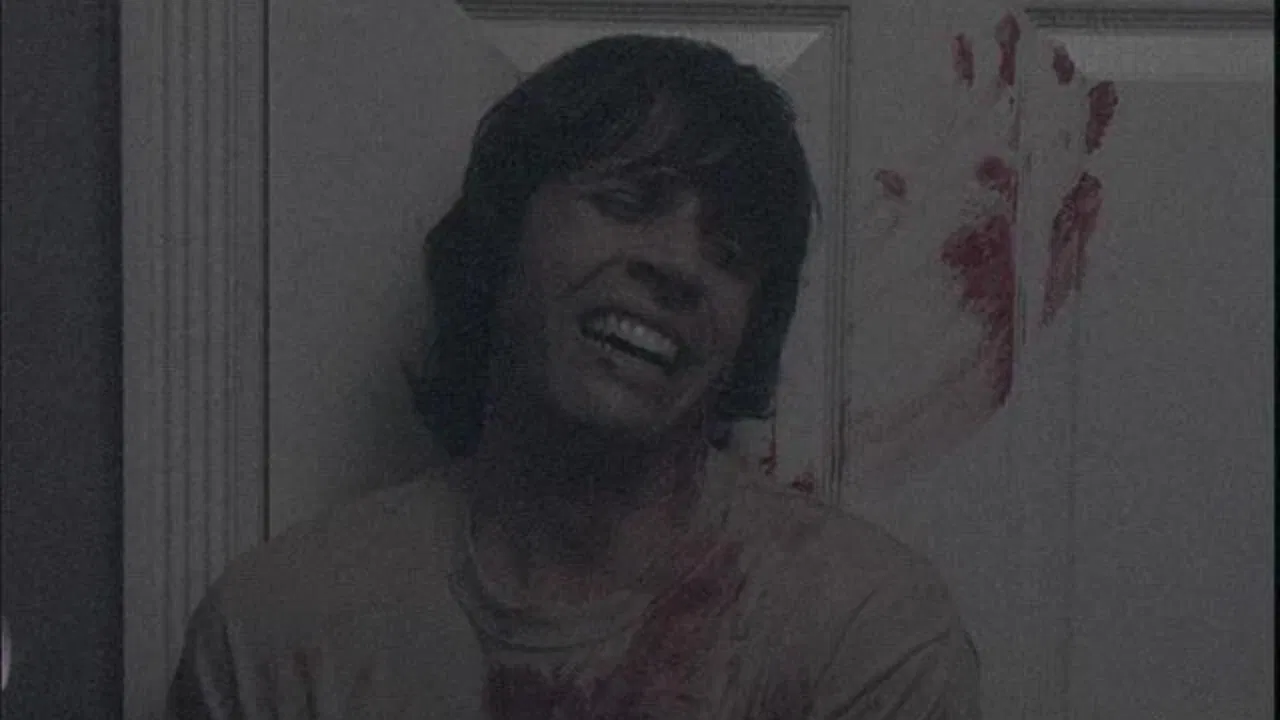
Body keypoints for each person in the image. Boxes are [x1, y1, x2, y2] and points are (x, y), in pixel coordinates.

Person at [167, 34, 981, 719]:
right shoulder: (280, 632)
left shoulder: (865, 635)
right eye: (629, 202)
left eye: (730, 253)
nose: (679, 265)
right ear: (504, 233)